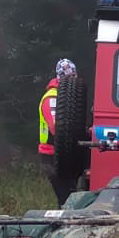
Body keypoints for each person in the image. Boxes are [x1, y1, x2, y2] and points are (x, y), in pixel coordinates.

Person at [37, 58, 79, 204]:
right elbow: (56, 127)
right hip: (52, 154)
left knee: (71, 196)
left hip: (63, 153)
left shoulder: (66, 97)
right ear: (60, 77)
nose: (73, 80)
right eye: (69, 77)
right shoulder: (52, 98)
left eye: (74, 76)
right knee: (66, 198)